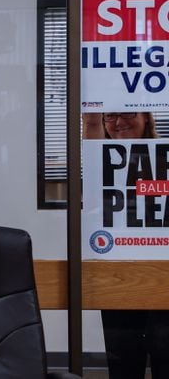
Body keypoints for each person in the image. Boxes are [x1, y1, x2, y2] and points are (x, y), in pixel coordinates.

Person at [92, 111, 169, 378]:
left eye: (127, 113)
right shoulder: (96, 162)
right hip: (117, 272)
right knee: (123, 363)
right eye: (109, 116)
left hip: (162, 273)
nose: (118, 122)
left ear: (147, 118)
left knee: (165, 355)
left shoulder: (164, 157)